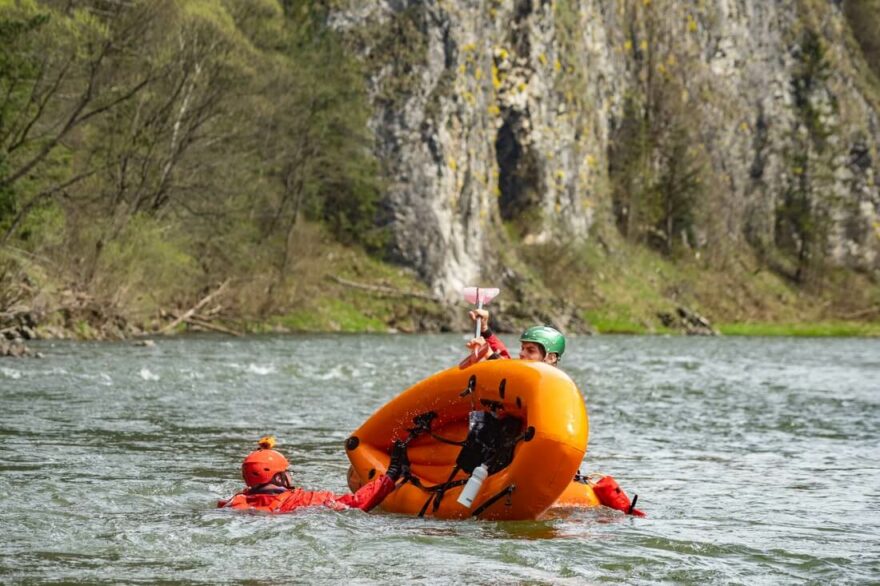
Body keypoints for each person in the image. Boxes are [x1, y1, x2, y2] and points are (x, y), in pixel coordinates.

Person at [218, 436, 404, 513]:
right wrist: (391, 473)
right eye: (286, 472)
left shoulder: (235, 502)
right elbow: (356, 503)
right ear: (278, 477)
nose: (289, 476)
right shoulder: (304, 500)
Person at [465, 309, 565, 366]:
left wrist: (489, 353)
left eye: (530, 350)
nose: (521, 353)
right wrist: (484, 328)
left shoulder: (549, 383)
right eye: (522, 348)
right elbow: (504, 358)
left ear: (551, 358)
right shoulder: (521, 369)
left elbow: (506, 370)